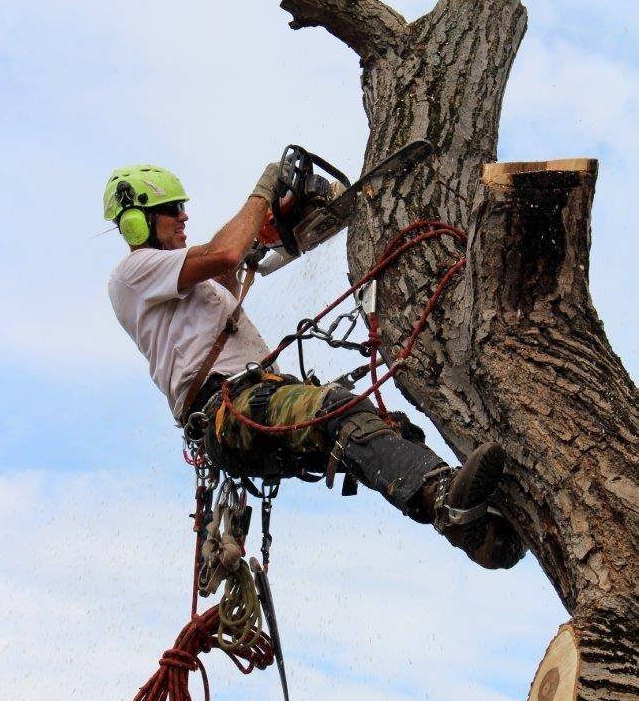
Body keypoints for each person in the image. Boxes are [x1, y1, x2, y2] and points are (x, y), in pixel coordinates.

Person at [105, 163, 523, 569]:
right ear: (135, 223)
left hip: (248, 405)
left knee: (385, 430)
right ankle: (448, 502)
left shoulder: (175, 281)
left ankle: (479, 531)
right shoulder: (132, 271)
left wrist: (261, 240)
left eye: (181, 206)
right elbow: (223, 253)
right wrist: (264, 191)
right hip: (230, 408)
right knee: (337, 410)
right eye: (171, 209)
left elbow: (227, 269)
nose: (183, 216)